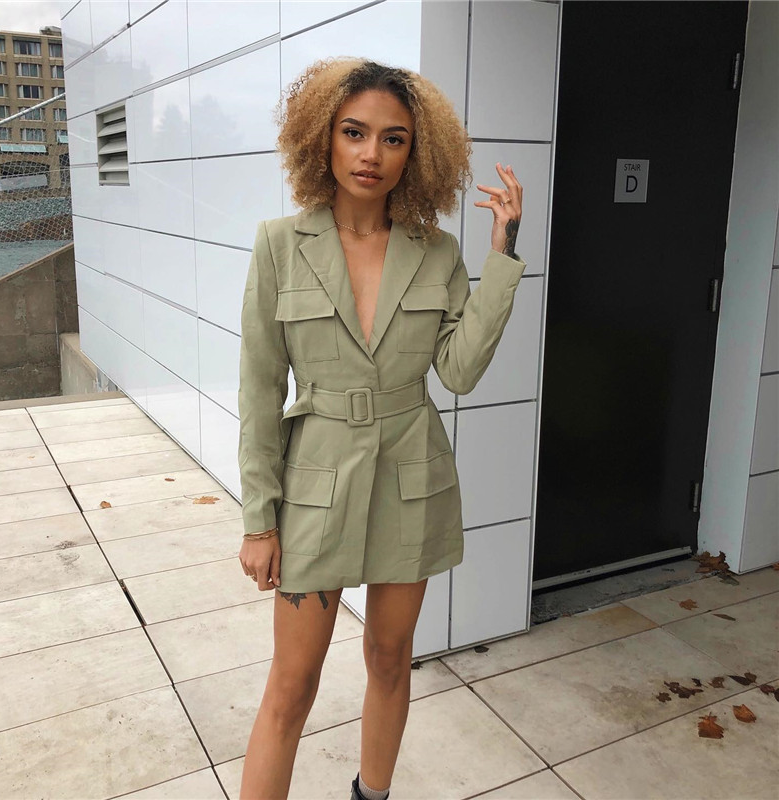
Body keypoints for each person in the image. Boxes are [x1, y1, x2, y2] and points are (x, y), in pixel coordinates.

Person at [237, 57, 525, 800]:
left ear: (416, 153)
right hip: (315, 485)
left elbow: (458, 371)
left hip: (410, 478)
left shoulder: (437, 252)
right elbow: (260, 391)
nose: (372, 154)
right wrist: (259, 520)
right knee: (292, 685)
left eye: (393, 139)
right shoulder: (279, 244)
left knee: (391, 659)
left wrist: (501, 257)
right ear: (322, 139)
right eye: (354, 132)